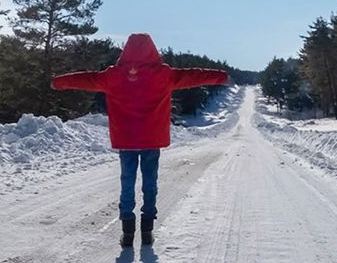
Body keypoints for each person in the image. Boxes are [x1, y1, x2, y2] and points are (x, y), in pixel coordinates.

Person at [52, 33, 228, 247]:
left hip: (126, 140)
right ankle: (147, 232)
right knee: (150, 184)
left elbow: (85, 79)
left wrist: (59, 82)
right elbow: (194, 76)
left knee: (127, 183)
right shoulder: (164, 75)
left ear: (126, 50)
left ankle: (127, 234)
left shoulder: (113, 76)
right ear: (152, 50)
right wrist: (220, 76)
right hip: (151, 140)